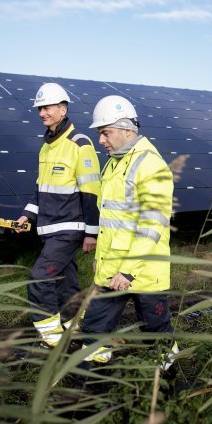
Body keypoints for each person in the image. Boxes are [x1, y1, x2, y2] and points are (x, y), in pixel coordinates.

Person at [80, 95, 178, 367]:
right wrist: (101, 260)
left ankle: (169, 385)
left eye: (105, 133)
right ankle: (90, 383)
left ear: (127, 130)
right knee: (94, 328)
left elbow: (152, 223)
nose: (101, 141)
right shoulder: (113, 162)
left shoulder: (150, 164)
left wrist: (129, 269)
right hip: (112, 268)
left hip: (143, 270)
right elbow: (111, 220)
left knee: (156, 331)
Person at [16, 82, 101, 348]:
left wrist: (91, 232)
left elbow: (92, 192)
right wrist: (26, 217)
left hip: (68, 229)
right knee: (65, 282)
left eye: (48, 107)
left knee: (40, 279)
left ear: (62, 110)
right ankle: (75, 327)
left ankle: (51, 338)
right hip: (48, 228)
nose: (42, 113)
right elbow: (40, 189)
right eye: (40, 108)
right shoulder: (46, 147)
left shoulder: (80, 144)